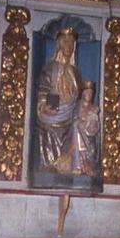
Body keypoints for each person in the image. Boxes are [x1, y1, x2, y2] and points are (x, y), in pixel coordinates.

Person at [35, 28, 82, 171]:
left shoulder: (75, 72)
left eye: (71, 42)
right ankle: (49, 167)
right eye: (65, 42)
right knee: (49, 161)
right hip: (50, 120)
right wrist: (44, 106)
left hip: (69, 119)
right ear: (59, 44)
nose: (68, 46)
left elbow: (78, 98)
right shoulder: (50, 68)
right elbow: (43, 91)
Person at [54, 81, 101, 177]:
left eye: (91, 93)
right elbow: (73, 122)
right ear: (83, 93)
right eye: (87, 92)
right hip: (74, 138)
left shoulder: (94, 109)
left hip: (89, 140)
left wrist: (86, 125)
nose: (89, 95)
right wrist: (80, 124)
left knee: (78, 127)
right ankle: (78, 162)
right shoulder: (77, 106)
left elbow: (94, 128)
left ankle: (84, 162)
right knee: (76, 127)